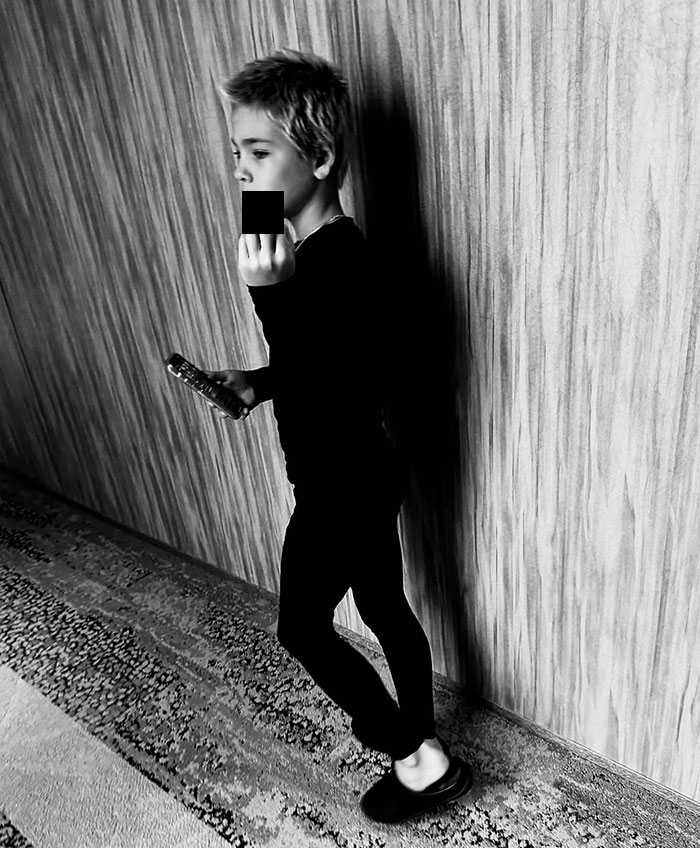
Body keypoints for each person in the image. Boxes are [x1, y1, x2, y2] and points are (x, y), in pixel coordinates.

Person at [204, 47, 472, 823]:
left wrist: (265, 288)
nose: (242, 173)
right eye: (236, 155)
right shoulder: (319, 260)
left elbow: (341, 366)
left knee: (301, 627)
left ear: (318, 157)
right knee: (385, 607)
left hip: (341, 481)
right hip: (358, 469)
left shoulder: (339, 262)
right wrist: (258, 379)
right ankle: (422, 750)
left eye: (258, 154)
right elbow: (321, 363)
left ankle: (412, 749)